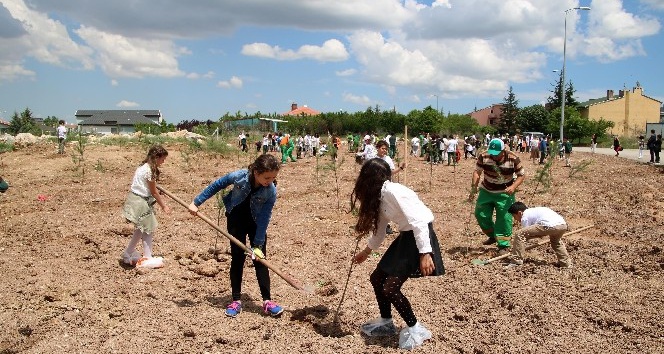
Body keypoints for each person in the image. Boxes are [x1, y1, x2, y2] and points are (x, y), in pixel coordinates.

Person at [351, 158, 444, 350]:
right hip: (406, 236)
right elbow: (380, 230)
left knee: (390, 288)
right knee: (377, 278)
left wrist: (425, 253)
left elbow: (419, 220)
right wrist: (367, 251)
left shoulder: (394, 191)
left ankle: (416, 328)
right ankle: (386, 322)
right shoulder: (380, 196)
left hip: (418, 236)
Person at [188, 154, 283, 318]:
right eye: (267, 177)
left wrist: (258, 245)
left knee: (260, 261)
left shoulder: (270, 191)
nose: (270, 180)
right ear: (256, 172)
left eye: (273, 177)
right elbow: (216, 185)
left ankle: (267, 302)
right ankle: (236, 300)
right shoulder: (239, 176)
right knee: (237, 259)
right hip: (235, 222)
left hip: (255, 225)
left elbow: (265, 216)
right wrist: (196, 203)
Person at [469, 138, 525, 253]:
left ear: (503, 150)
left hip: (504, 193)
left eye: (496, 154)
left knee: (504, 219)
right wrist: (474, 187)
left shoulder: (513, 158)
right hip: (486, 190)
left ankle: (503, 245)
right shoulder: (484, 156)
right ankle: (493, 235)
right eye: (492, 153)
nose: (494, 156)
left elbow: (521, 175)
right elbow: (477, 172)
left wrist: (513, 187)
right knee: (480, 214)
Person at [121, 145, 171, 268]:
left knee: (141, 228)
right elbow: (153, 192)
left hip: (134, 199)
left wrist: (158, 192)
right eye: (162, 159)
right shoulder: (150, 171)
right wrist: (164, 206)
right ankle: (147, 257)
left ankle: (128, 252)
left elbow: (149, 188)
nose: (163, 162)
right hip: (140, 202)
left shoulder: (142, 167)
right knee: (149, 228)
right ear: (156, 157)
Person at [506, 202, 571, 269]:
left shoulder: (524, 217)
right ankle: (565, 263)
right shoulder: (534, 211)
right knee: (556, 242)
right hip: (562, 225)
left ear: (520, 213)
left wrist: (516, 247)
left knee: (519, 234)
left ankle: (516, 261)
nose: (515, 219)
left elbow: (524, 236)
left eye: (514, 216)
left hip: (548, 225)